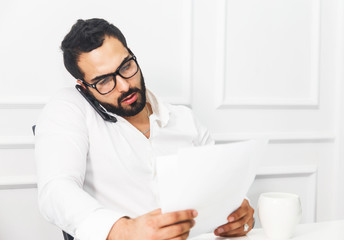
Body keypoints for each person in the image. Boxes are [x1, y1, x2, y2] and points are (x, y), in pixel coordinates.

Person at [35, 18, 254, 240]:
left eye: (126, 66)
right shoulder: (70, 108)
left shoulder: (186, 120)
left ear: (132, 54)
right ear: (84, 87)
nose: (124, 85)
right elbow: (55, 190)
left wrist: (240, 212)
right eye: (103, 81)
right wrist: (124, 231)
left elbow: (221, 186)